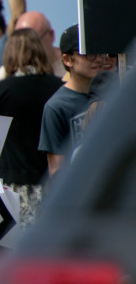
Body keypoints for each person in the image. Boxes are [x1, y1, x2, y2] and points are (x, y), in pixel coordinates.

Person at [0, 29, 62, 224]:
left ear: (8, 54)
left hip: (11, 187)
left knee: (16, 253)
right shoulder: (60, 88)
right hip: (54, 185)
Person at [39, 24, 104, 178]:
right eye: (88, 53)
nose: (98, 59)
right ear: (67, 59)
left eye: (100, 51)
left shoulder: (114, 91)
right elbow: (56, 171)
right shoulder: (57, 107)